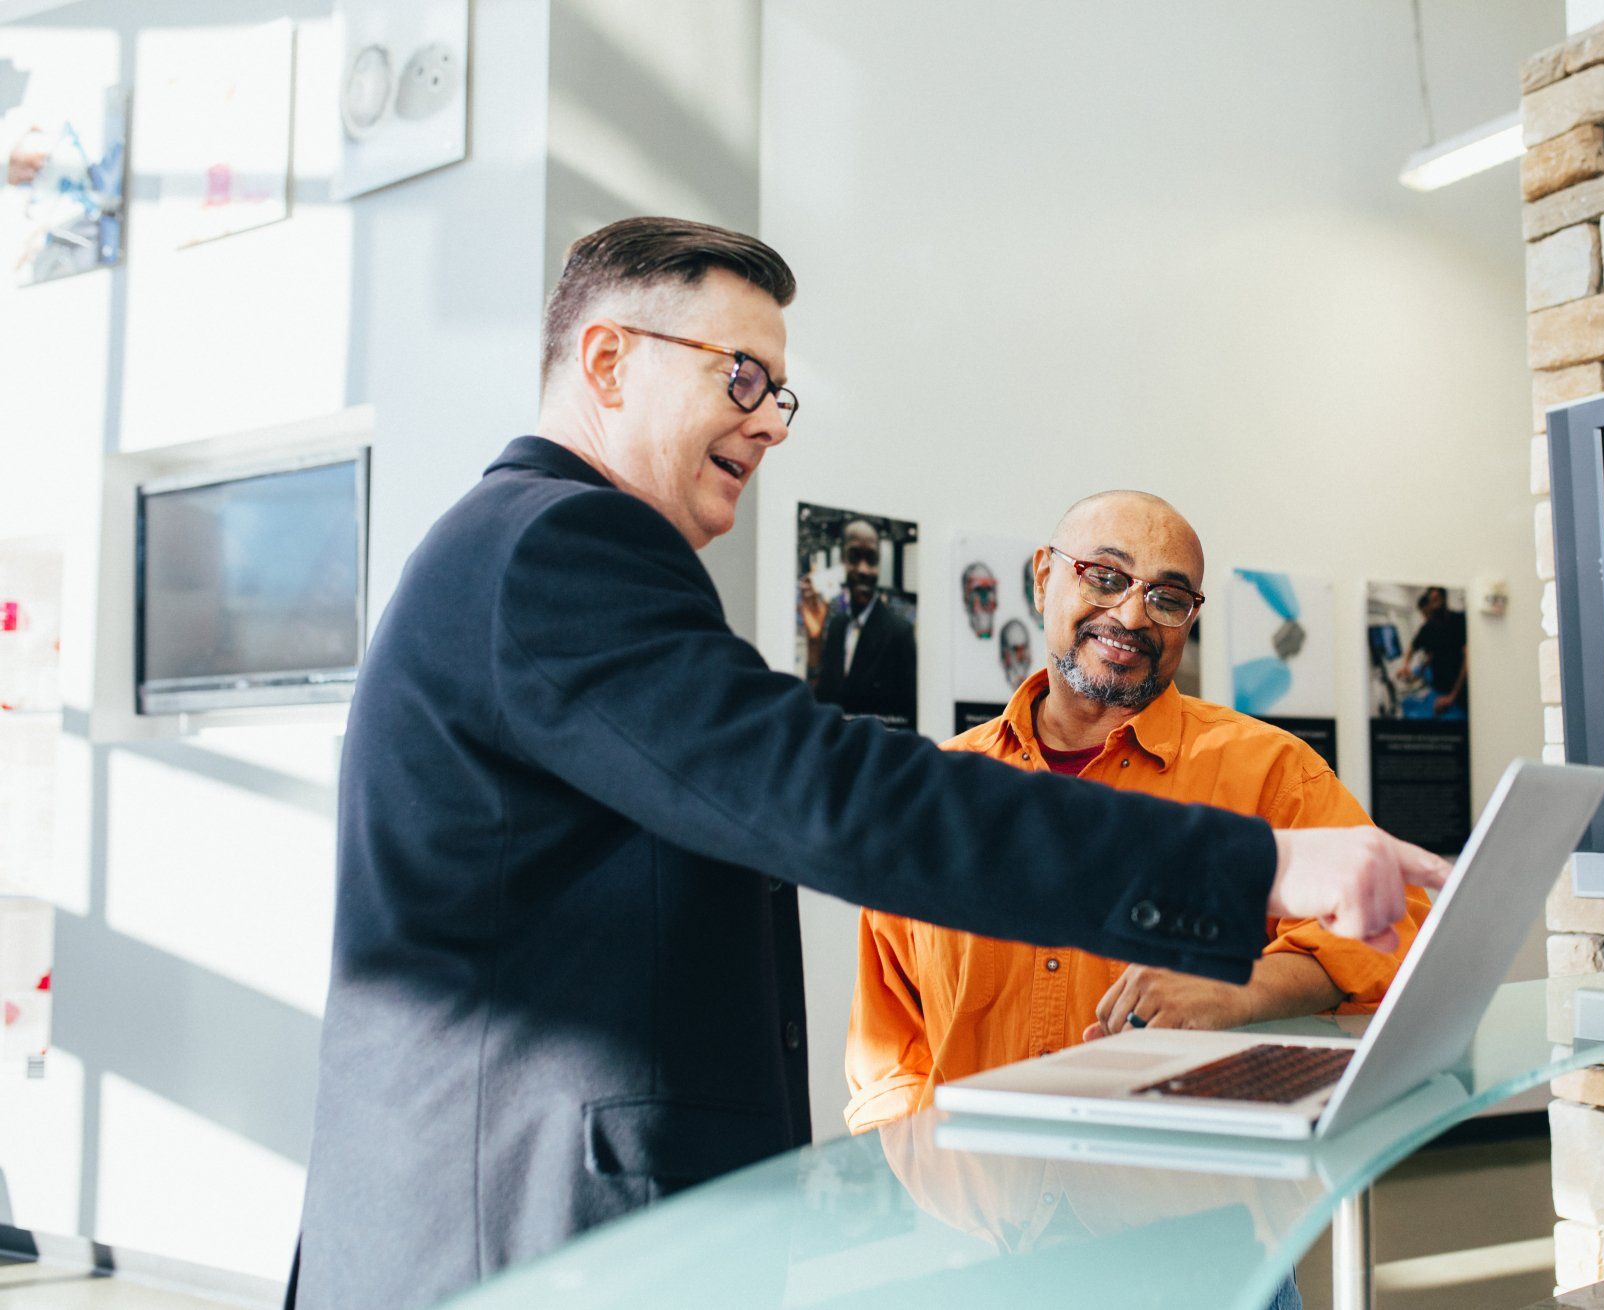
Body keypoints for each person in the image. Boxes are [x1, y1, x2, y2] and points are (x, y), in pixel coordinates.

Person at [288, 217, 1449, 1309]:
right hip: (523, 1231)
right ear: (605, 362)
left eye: (778, 391)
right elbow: (832, 795)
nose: (771, 421)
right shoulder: (559, 545)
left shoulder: (527, 549)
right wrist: (1257, 869)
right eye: (739, 374)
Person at [845, 493, 1430, 1133]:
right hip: (978, 1211)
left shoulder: (1271, 772)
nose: (1131, 615)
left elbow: (1397, 929)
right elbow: (889, 1046)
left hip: (1184, 1205)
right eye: (1105, 576)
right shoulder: (940, 792)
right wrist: (924, 1187)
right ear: (1044, 579)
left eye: (1168, 598)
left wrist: (1240, 988)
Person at [811, 518, 917, 728]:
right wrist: (814, 641)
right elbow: (823, 701)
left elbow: (907, 720)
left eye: (871, 559)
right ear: (842, 560)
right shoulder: (836, 626)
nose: (863, 569)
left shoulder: (899, 633)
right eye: (854, 557)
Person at [1399, 585, 1468, 719]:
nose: (1433, 605)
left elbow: (1467, 658)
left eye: (1437, 599)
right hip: (1438, 689)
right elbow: (1414, 647)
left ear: (1444, 599)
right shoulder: (1428, 628)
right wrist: (1405, 665)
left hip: (1458, 691)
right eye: (1432, 601)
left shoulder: (1458, 620)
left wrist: (1453, 696)